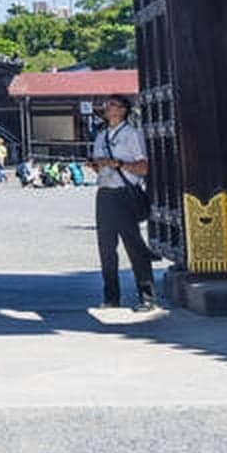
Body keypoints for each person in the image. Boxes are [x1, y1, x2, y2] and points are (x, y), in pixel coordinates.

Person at [87, 94, 158, 312]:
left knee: (133, 244)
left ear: (124, 110)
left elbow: (143, 167)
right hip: (105, 192)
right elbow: (100, 165)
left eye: (114, 105)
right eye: (107, 105)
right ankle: (111, 296)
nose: (108, 108)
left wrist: (119, 163)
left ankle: (147, 296)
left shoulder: (131, 135)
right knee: (106, 246)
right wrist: (96, 165)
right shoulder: (101, 136)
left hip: (124, 192)